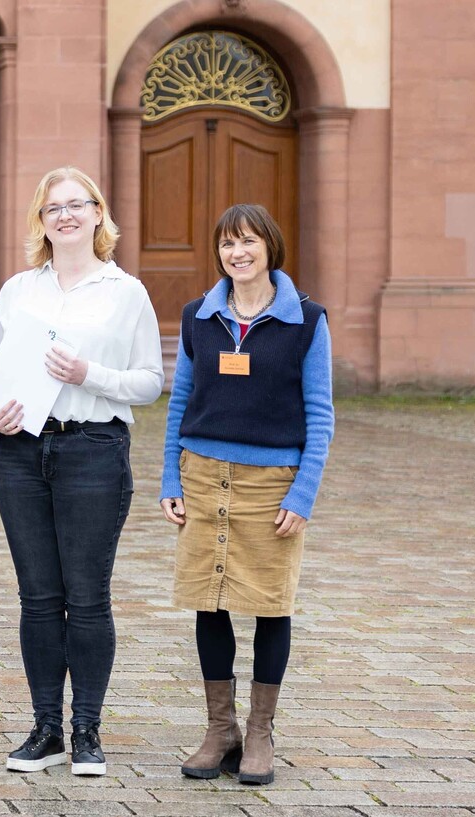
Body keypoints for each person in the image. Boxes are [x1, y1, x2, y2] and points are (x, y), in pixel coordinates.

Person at [0, 167, 162, 777]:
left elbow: (149, 382)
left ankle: (87, 730)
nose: (65, 215)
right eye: (52, 207)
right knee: (37, 598)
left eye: (76, 205)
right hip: (22, 455)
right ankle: (45, 729)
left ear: (97, 214)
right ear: (41, 220)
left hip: (93, 451)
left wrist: (91, 375)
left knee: (87, 598)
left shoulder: (125, 292)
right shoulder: (17, 291)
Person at [161, 203, 333, 787]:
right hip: (204, 477)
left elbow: (321, 414)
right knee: (208, 601)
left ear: (271, 248)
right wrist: (170, 479)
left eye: (249, 242)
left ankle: (259, 732)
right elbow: (179, 405)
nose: (238, 253)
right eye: (228, 244)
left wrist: (303, 494)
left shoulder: (307, 321)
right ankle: (220, 730)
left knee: (269, 603)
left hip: (271, 485)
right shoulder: (197, 317)